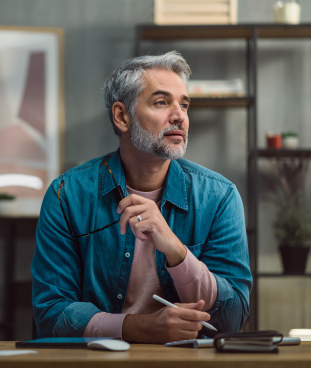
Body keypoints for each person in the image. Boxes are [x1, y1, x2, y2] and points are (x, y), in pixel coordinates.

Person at [31, 51, 252, 344]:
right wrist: (138, 328)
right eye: (162, 102)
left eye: (183, 104)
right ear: (122, 116)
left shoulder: (220, 197)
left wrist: (176, 250)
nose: (179, 116)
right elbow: (51, 313)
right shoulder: (67, 196)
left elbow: (233, 316)